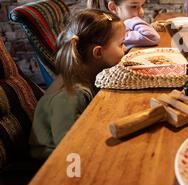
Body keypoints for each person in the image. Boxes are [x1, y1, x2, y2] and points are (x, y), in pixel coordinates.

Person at [29, 9, 126, 161]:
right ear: (98, 53)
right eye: (121, 45)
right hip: (51, 160)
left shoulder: (87, 75)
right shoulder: (71, 95)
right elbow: (69, 145)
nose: (125, 50)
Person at [87, 0, 160, 50]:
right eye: (134, 6)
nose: (142, 12)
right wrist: (133, 21)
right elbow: (152, 37)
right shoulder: (115, 32)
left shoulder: (123, 27)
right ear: (113, 7)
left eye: (142, 6)